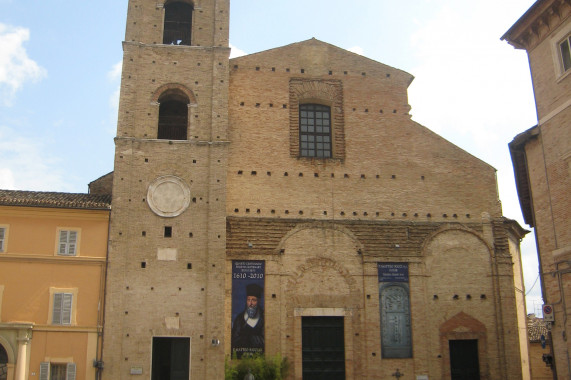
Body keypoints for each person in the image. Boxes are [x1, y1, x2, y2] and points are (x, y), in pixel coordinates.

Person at [232, 284, 264, 358]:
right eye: (248, 300)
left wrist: (248, 337)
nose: (250, 304)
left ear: (258, 301)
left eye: (253, 300)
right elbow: (234, 340)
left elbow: (265, 341)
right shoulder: (239, 319)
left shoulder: (264, 318)